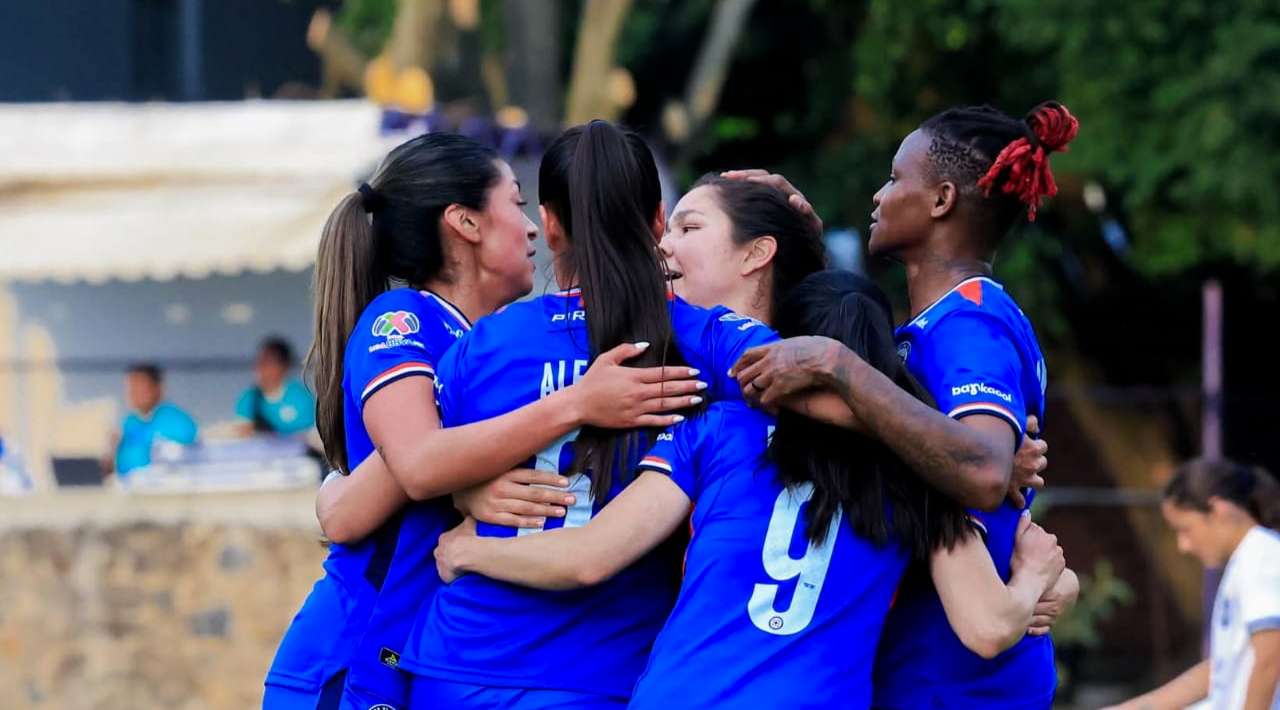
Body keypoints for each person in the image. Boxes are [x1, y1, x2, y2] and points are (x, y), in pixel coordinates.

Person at [433, 270, 1068, 710]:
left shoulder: (717, 430)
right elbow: (988, 627)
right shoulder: (917, 473)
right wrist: (1038, 576)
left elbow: (587, 556)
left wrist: (468, 549)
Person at [263, 132, 697, 710]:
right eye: (516, 206)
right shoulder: (406, 318)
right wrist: (574, 405)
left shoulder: (496, 346)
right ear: (465, 224)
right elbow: (411, 468)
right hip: (355, 648)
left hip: (420, 653)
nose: (535, 229)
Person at [730, 101, 1081, 708]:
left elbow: (982, 469)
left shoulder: (972, 328)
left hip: (959, 687)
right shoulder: (933, 325)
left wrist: (835, 366)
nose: (878, 194)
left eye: (895, 178)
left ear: (941, 200)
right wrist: (798, 245)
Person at [1105, 459, 1280, 710]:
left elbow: (1270, 658)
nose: (1183, 546)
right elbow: (1221, 670)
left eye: (1185, 529)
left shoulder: (1261, 557)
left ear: (1217, 510)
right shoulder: (1246, 560)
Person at [110, 363, 197, 477]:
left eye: (139, 386)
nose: (133, 393)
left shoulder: (176, 421)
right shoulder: (130, 422)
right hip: (128, 488)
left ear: (157, 388)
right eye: (131, 387)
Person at [235, 336, 315, 437]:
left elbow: (311, 435)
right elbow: (241, 431)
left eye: (268, 362)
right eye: (260, 361)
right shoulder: (249, 397)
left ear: (283, 366)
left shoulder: (302, 397)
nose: (262, 368)